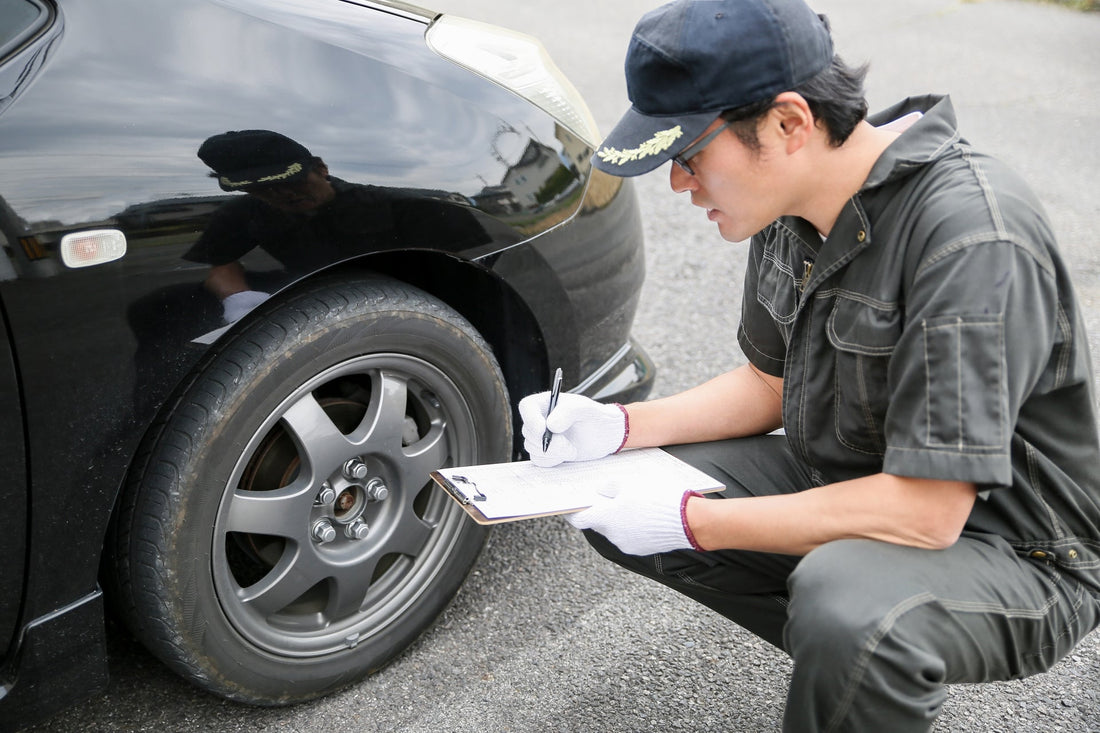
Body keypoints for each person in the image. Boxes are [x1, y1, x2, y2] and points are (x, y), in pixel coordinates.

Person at [518, 1, 1100, 730]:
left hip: (1017, 545)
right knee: (608, 492)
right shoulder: (789, 205)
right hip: (868, 482)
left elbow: (925, 513)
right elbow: (768, 382)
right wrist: (613, 427)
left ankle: (874, 644)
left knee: (845, 602)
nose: (677, 183)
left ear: (790, 123)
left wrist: (693, 521)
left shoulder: (971, 233)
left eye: (690, 154)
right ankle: (868, 674)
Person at [187, 130, 489, 324]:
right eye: (264, 190)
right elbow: (221, 264)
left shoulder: (404, 204)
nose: (283, 195)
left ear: (321, 169)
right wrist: (239, 301)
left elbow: (470, 267)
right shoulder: (246, 212)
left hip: (411, 297)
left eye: (292, 181)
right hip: (314, 296)